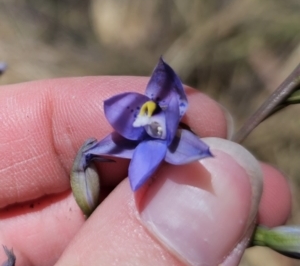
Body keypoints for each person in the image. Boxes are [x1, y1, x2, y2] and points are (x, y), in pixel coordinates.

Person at [0, 76, 291, 266]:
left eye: (154, 110)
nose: (147, 113)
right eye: (143, 111)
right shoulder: (143, 142)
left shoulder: (180, 141)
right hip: (146, 149)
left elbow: (195, 149)